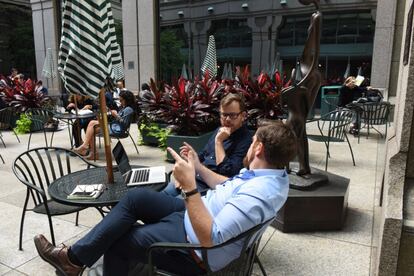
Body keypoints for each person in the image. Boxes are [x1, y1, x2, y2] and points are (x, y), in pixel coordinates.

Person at [33, 121, 297, 276]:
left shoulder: (259, 194)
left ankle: (73, 261)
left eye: (252, 143)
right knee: (136, 198)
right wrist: (198, 168)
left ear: (259, 148)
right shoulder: (271, 175)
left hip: (196, 250)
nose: (249, 147)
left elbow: (211, 239)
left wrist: (190, 187)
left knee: (117, 241)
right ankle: (74, 259)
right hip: (193, 217)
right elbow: (229, 184)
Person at [163, 92, 253, 195]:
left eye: (232, 115)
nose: (227, 119)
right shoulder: (219, 130)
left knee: (159, 205)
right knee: (161, 196)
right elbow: (203, 155)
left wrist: (218, 143)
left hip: (209, 190)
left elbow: (228, 174)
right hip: (194, 178)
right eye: (224, 115)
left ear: (243, 116)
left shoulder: (246, 140)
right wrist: (188, 164)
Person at [73, 90, 136, 160]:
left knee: (92, 124)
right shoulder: (125, 107)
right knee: (92, 127)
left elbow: (124, 124)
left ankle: (88, 149)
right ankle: (91, 151)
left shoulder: (128, 109)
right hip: (114, 126)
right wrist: (112, 113)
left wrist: (116, 115)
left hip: (117, 129)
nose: (120, 101)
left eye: (121, 100)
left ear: (126, 99)